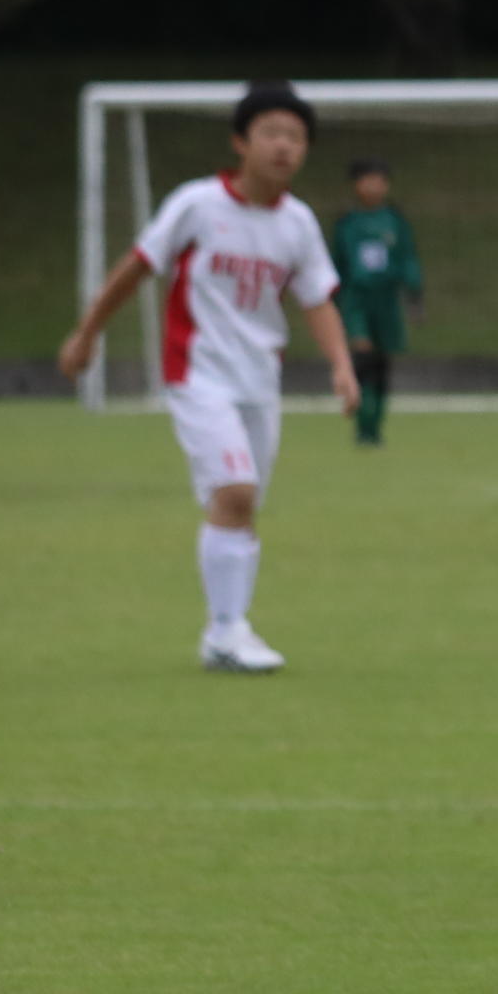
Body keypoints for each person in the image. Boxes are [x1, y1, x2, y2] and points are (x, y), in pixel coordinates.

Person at [53, 80, 351, 673]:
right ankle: (227, 629)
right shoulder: (197, 204)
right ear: (241, 141)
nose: (283, 146)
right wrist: (88, 333)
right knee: (234, 493)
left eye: (295, 136)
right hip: (197, 374)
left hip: (260, 381)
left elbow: (317, 298)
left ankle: (225, 632)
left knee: (241, 507)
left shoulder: (298, 223)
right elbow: (136, 270)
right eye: (270, 132)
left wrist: (341, 365)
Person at [329, 159, 420, 446]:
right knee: (363, 358)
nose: (373, 186)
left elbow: (408, 259)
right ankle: (363, 426)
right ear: (356, 184)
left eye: (379, 180)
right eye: (367, 179)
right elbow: (336, 265)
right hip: (357, 299)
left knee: (382, 364)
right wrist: (333, 299)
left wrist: (414, 294)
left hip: (387, 300)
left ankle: (376, 426)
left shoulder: (395, 221)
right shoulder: (347, 223)